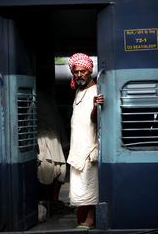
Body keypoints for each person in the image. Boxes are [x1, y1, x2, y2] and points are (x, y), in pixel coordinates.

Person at [67, 53, 104, 229]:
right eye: (76, 72)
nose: (79, 75)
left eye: (83, 71)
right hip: (77, 147)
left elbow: (95, 119)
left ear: (90, 71)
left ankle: (90, 220)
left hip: (89, 147)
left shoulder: (95, 91)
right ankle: (85, 218)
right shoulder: (78, 91)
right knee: (81, 185)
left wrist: (96, 107)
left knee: (90, 185)